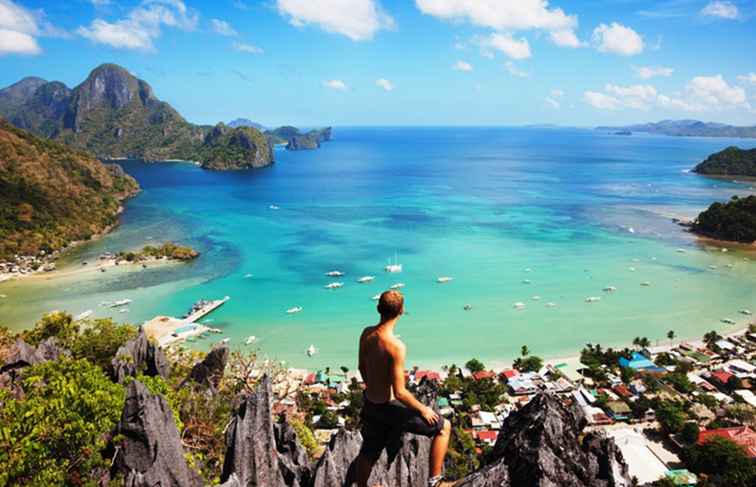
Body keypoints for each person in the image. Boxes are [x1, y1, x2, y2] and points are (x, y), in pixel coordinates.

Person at [355, 290, 451, 487]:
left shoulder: (366, 333)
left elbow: (361, 367)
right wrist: (423, 409)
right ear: (402, 311)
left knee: (369, 451)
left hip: (370, 402)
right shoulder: (395, 346)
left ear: (378, 308)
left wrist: (372, 387)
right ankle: (436, 481)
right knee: (444, 427)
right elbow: (400, 392)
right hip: (389, 406)